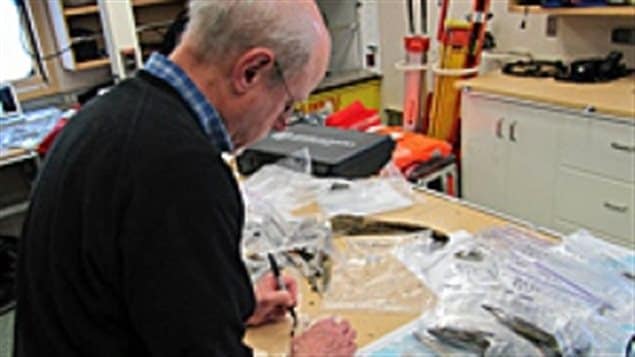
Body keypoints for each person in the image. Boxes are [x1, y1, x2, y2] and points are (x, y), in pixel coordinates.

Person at [14, 0, 357, 356]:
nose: (281, 124)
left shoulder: (104, 115)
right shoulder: (182, 170)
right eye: (287, 105)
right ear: (251, 71)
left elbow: (118, 296)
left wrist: (226, 306)